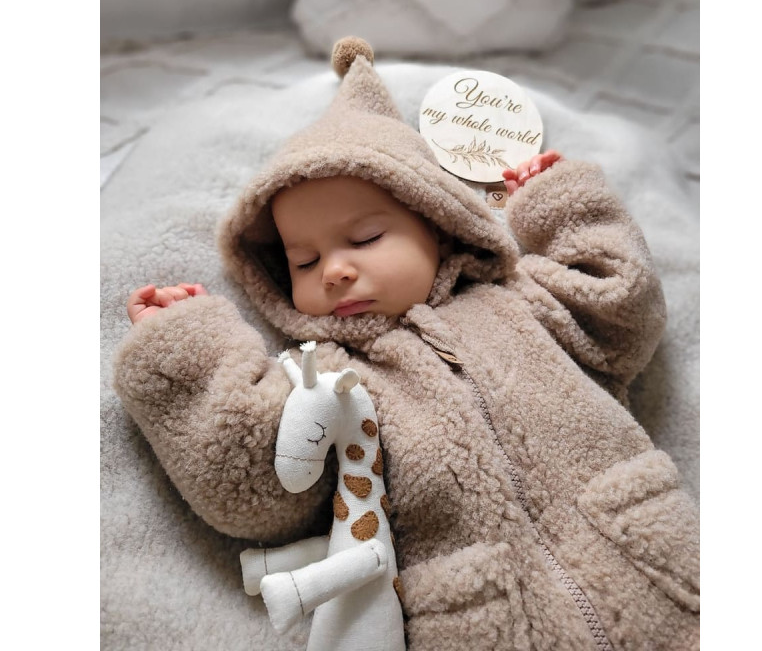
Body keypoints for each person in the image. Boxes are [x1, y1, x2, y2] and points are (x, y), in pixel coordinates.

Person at [114, 37, 699, 650]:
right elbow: (253, 486)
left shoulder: (523, 303)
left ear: (440, 228)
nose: (333, 271)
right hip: (490, 618)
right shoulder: (327, 380)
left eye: (365, 238)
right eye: (304, 262)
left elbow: (622, 308)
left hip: (658, 573)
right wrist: (186, 349)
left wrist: (560, 205)